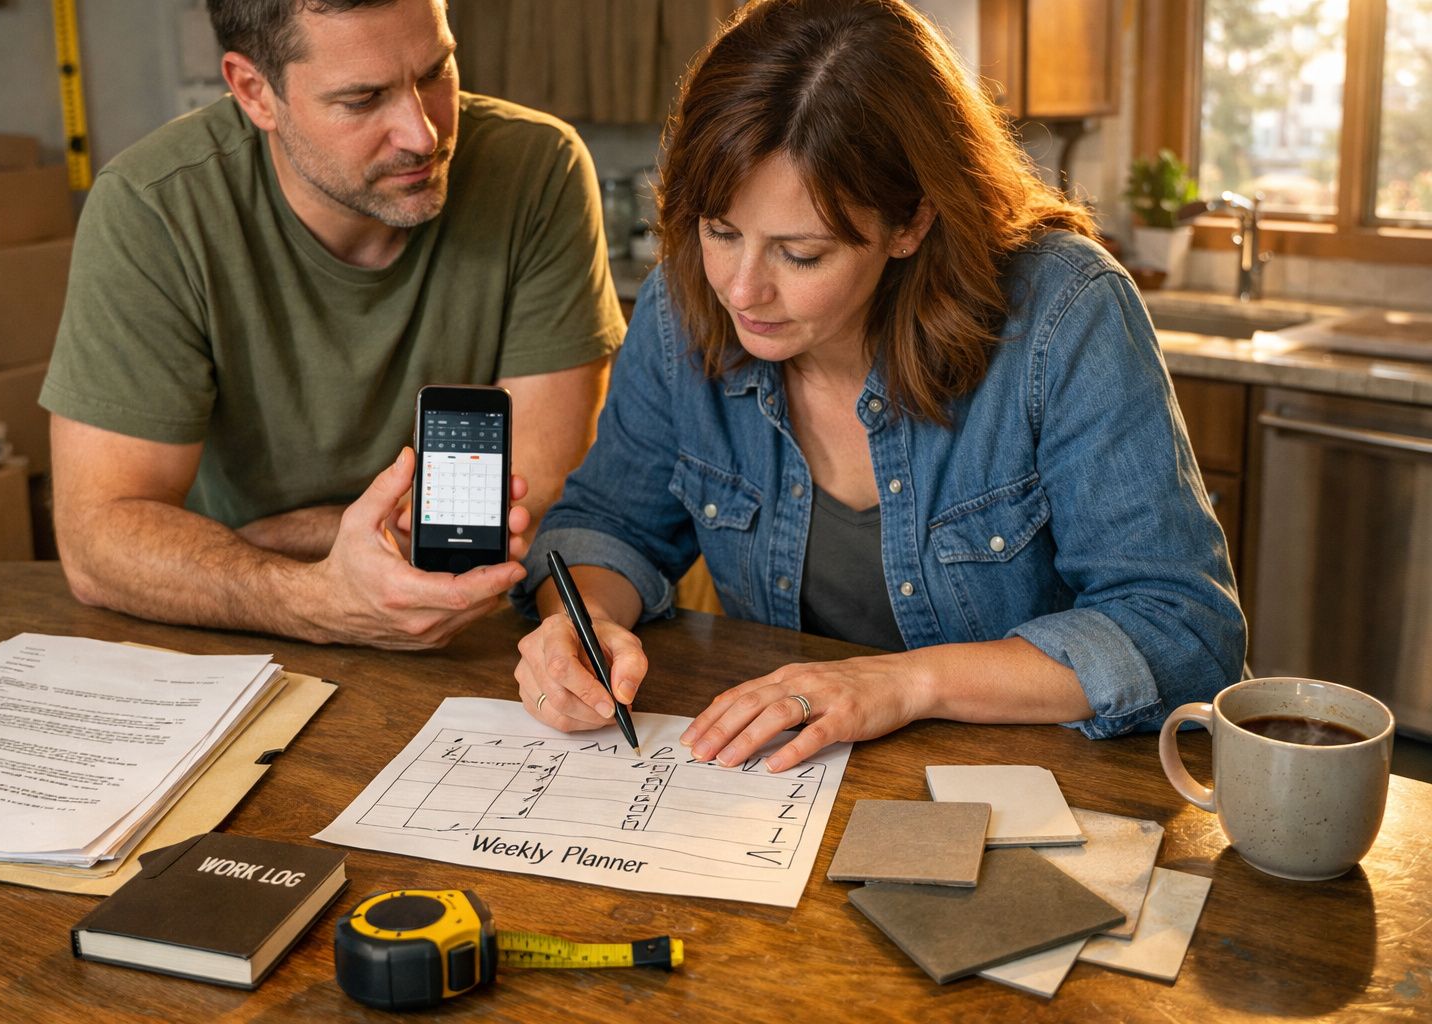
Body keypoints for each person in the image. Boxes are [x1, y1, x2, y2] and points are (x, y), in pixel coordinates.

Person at [511, 0, 1246, 771]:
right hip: (786, 788)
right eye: (720, 231)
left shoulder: (1064, 314)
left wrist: (903, 685)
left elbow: (1183, 632)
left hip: (1041, 789)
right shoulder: (680, 303)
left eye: (800, 254)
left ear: (911, 224)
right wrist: (583, 622)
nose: (739, 289)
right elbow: (609, 525)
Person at [41, 0, 625, 649]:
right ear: (254, 91)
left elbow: (533, 492)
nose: (422, 133)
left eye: (436, 72)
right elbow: (99, 542)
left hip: (471, 623)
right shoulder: (153, 208)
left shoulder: (538, 168)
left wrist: (270, 537)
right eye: (363, 99)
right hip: (236, 630)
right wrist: (314, 597)